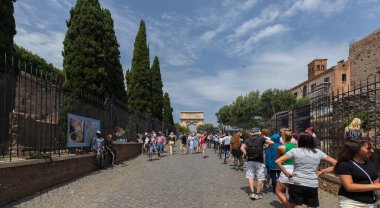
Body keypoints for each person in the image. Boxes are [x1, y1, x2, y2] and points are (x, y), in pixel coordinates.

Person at [275, 132, 336, 208]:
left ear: (300, 141)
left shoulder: (295, 151)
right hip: (312, 183)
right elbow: (336, 163)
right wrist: (321, 172)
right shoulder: (318, 152)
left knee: (297, 205)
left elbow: (278, 161)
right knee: (311, 205)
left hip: (297, 182)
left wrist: (287, 173)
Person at [334, 137, 380, 207]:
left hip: (371, 203)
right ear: (356, 149)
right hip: (352, 202)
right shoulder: (345, 164)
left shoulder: (370, 163)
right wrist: (375, 186)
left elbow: (376, 183)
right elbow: (349, 187)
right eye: (368, 148)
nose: (372, 151)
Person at [240, 130, 274, 200]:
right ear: (258, 133)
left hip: (250, 160)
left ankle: (252, 193)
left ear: (251, 133)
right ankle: (258, 193)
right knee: (260, 177)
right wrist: (265, 148)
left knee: (250, 176)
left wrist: (246, 154)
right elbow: (272, 142)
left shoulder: (247, 140)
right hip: (259, 160)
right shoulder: (261, 138)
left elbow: (241, 148)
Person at [275, 132, 297, 207]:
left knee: (278, 191)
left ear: (283, 138)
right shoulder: (296, 147)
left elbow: (278, 157)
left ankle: (288, 206)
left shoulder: (281, 147)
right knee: (292, 192)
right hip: (295, 169)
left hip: (286, 169)